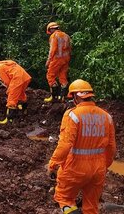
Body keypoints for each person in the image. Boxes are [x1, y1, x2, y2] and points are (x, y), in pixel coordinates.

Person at [48, 79, 116, 214]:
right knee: (91, 205)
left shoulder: (72, 115)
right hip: (98, 169)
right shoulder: (106, 116)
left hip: (75, 167)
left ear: (75, 97)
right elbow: (111, 147)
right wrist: (104, 165)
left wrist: (53, 165)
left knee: (64, 197)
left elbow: (65, 144)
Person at [0, 59, 31, 124]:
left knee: (11, 99)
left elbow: (7, 82)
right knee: (21, 94)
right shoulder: (6, 62)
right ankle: (25, 111)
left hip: (17, 79)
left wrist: (9, 90)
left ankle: (9, 120)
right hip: (25, 78)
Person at [44, 22, 72, 103]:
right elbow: (70, 48)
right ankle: (62, 97)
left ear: (52, 29)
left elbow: (52, 50)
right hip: (66, 59)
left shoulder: (54, 36)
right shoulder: (66, 35)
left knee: (50, 76)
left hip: (57, 59)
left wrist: (48, 61)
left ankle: (54, 97)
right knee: (63, 77)